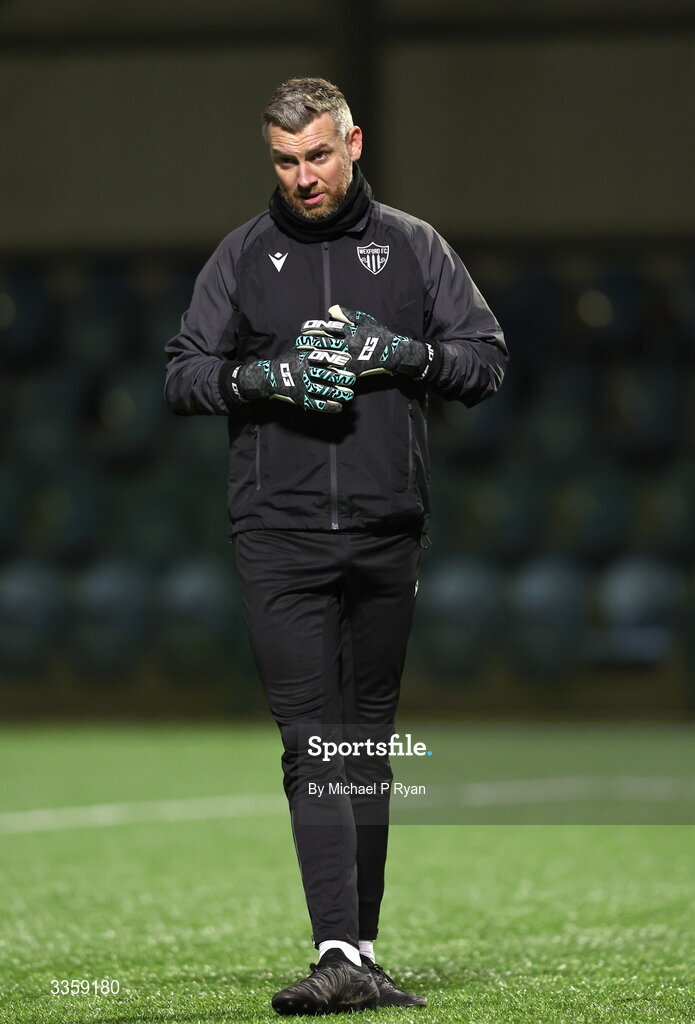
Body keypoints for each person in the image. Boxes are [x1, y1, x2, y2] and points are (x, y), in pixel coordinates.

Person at [165, 77, 507, 1016]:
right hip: (276, 538)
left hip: (385, 530)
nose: (303, 177)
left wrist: (403, 354)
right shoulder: (241, 256)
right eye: (285, 161)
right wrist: (260, 376)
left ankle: (357, 953)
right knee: (313, 739)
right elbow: (184, 373)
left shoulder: (412, 246)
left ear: (354, 142)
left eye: (318, 154)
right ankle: (336, 947)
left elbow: (483, 359)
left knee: (361, 745)